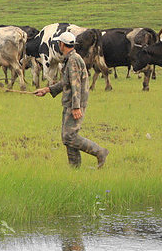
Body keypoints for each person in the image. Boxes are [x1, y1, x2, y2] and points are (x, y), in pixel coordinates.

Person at [34, 32, 109, 169]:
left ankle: (100, 152)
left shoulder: (73, 60)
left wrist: (76, 107)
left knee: (69, 136)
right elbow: (66, 81)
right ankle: (74, 168)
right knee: (68, 137)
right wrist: (48, 90)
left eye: (59, 43)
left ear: (62, 44)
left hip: (74, 103)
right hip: (70, 102)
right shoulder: (71, 59)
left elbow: (75, 84)